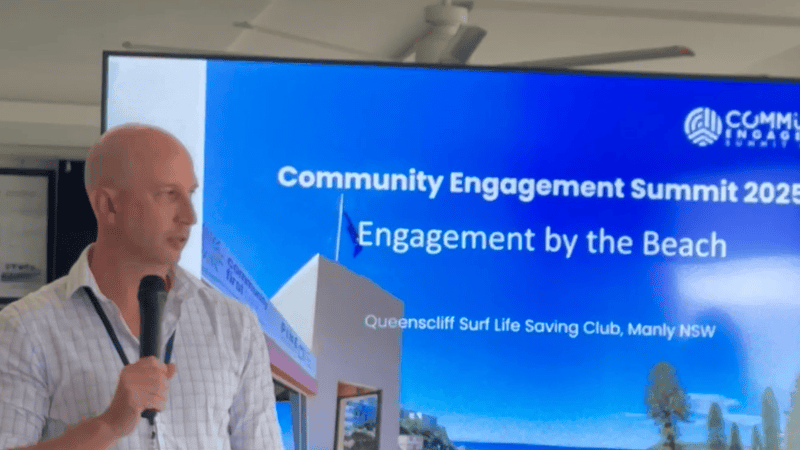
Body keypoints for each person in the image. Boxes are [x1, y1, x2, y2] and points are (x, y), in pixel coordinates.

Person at [0, 125, 284, 450]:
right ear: (108, 206)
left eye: (189, 194)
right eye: (168, 194)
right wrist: (107, 426)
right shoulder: (26, 329)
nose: (189, 216)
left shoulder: (236, 325)